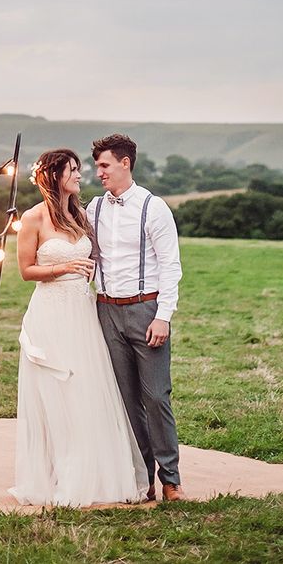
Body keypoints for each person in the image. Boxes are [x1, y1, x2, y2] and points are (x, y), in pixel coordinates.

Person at [9, 148, 152, 507]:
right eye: (73, 170)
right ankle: (60, 474)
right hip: (51, 313)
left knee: (88, 391)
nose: (79, 175)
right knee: (59, 392)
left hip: (83, 313)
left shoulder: (82, 215)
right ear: (56, 175)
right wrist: (63, 269)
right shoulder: (33, 218)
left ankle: (94, 472)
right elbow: (26, 271)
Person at [86, 134, 185, 501]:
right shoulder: (93, 207)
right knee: (126, 400)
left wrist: (164, 316)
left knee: (156, 397)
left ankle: (171, 478)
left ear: (125, 164)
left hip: (146, 310)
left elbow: (171, 266)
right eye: (97, 166)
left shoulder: (153, 207)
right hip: (107, 310)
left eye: (104, 165)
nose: (99, 173)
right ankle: (142, 480)